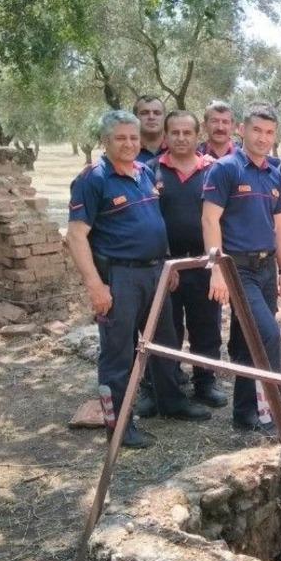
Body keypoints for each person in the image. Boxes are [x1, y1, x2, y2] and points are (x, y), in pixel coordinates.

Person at [65, 110, 211, 449]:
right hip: (120, 278)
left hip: (156, 273)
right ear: (105, 141)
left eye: (133, 137)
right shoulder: (93, 179)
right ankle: (119, 426)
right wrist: (95, 286)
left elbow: (154, 222)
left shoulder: (144, 172)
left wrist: (166, 264)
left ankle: (171, 402)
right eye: (121, 138)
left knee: (165, 342)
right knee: (118, 354)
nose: (129, 144)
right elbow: (76, 236)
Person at [202, 106, 281, 435]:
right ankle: (273, 414)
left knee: (245, 341)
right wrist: (217, 270)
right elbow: (209, 220)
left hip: (267, 267)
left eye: (269, 132)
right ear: (242, 129)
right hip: (238, 268)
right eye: (257, 130)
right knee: (268, 335)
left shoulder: (274, 174)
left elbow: (280, 226)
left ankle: (244, 414)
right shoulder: (225, 169)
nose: (263, 138)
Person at [150, 110, 228, 409]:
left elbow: (222, 219)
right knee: (166, 329)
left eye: (187, 133)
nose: (181, 138)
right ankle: (165, 388)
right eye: (175, 132)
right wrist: (163, 261)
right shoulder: (150, 171)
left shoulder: (213, 170)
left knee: (206, 327)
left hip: (203, 264)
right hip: (166, 267)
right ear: (166, 136)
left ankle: (205, 384)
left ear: (198, 135)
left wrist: (217, 265)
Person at [134, 95, 167, 163]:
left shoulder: (177, 147)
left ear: (165, 118)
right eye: (144, 113)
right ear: (135, 118)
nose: (151, 117)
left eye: (157, 113)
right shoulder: (126, 150)